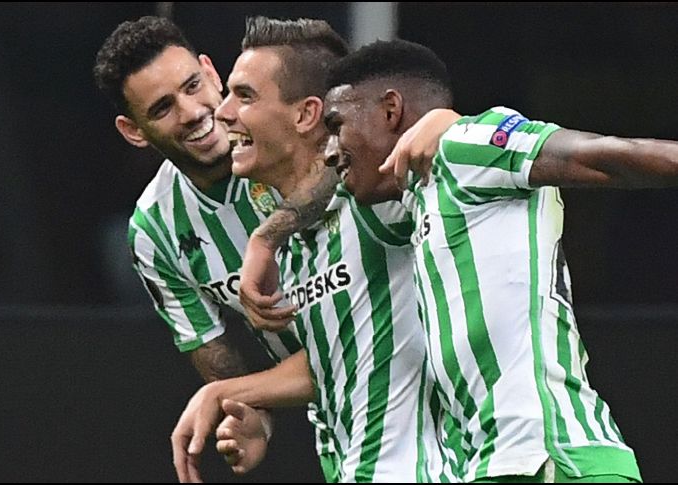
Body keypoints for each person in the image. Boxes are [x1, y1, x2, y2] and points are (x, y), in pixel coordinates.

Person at [311, 39, 678, 482]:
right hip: (493, 462)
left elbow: (605, 157)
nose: (330, 150)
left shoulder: (464, 143)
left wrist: (448, 124)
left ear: (391, 109)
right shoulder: (419, 195)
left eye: (337, 125)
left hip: (551, 456)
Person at [170, 16, 456, 483]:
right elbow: (337, 355)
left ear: (306, 116)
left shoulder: (376, 202)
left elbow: (459, 161)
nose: (222, 114)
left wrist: (447, 124)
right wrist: (232, 394)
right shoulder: (297, 241)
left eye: (244, 96)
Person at [92, 16, 338, 481]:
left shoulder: (296, 135)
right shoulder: (154, 232)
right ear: (133, 131)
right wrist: (252, 418)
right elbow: (227, 379)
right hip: (339, 421)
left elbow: (346, 168)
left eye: (192, 86)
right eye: (163, 107)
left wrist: (268, 236)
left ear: (211, 72)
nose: (191, 111)